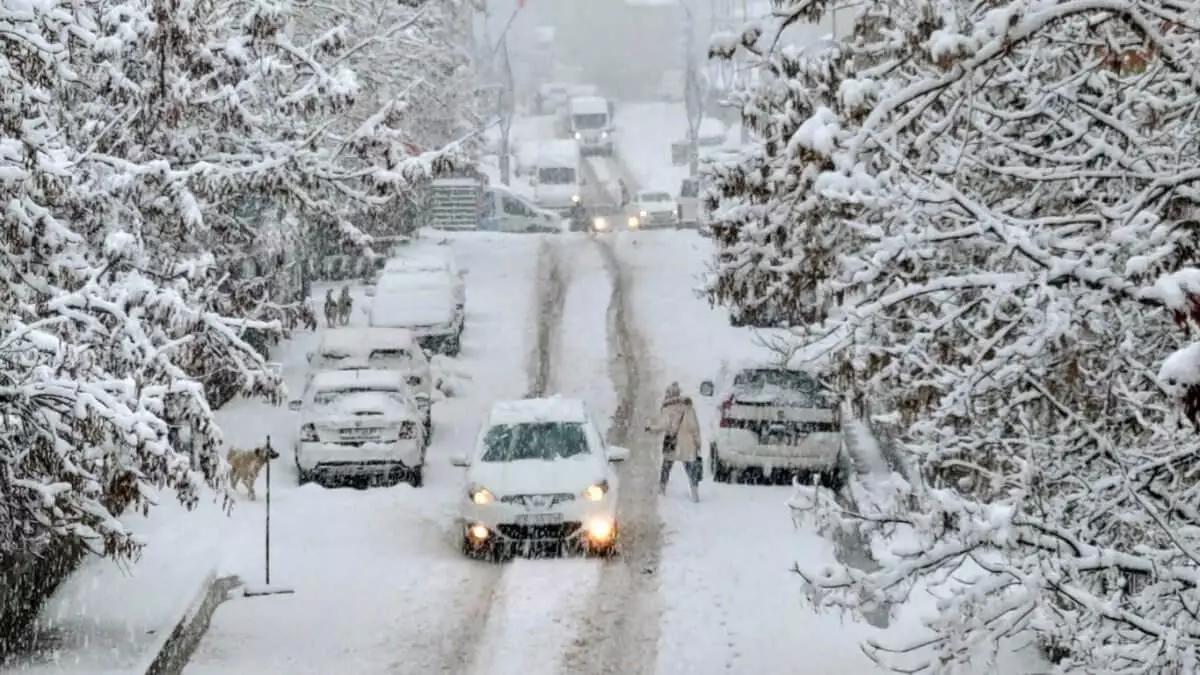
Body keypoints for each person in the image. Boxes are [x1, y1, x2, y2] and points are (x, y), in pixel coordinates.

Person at [645, 381, 703, 502]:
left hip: (673, 442)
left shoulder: (668, 409)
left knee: (667, 465)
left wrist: (651, 428)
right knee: (690, 468)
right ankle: (695, 492)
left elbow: (664, 425)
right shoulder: (689, 408)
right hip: (688, 444)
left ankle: (662, 488)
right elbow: (695, 427)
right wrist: (698, 443)